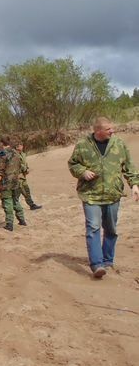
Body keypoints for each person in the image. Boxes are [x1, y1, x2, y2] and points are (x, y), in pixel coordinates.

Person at [68, 117, 139, 278]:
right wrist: (82, 172)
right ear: (98, 131)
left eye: (112, 129)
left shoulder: (119, 144)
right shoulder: (82, 145)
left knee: (111, 229)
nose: (112, 131)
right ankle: (97, 264)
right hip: (90, 195)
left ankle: (107, 260)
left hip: (112, 194)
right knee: (93, 228)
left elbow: (129, 166)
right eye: (108, 129)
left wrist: (134, 185)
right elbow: (73, 164)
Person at [0, 136, 26, 231]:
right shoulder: (16, 153)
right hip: (16, 182)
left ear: (2, 144)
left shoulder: (3, 154)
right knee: (16, 201)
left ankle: (9, 224)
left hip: (5, 183)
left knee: (7, 203)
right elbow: (21, 167)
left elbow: (0, 172)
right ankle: (22, 220)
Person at [15, 143, 42, 210]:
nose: (22, 146)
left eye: (22, 145)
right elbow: (19, 165)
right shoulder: (15, 155)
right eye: (20, 145)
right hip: (18, 177)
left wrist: (27, 168)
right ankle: (13, 204)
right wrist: (25, 169)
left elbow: (25, 163)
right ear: (17, 147)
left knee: (26, 191)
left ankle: (31, 205)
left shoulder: (23, 154)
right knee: (20, 191)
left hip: (23, 176)